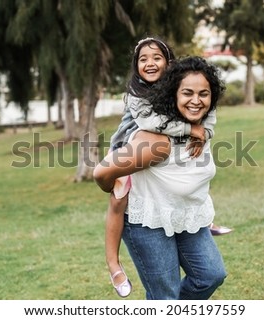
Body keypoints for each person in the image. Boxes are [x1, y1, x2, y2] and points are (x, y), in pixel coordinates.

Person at [95, 56, 227, 300]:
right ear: (173, 93)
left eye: (204, 94)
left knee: (210, 276)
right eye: (187, 93)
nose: (196, 101)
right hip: (148, 221)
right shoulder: (156, 141)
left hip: (186, 216)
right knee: (164, 297)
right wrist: (116, 189)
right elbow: (101, 172)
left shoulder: (201, 129)